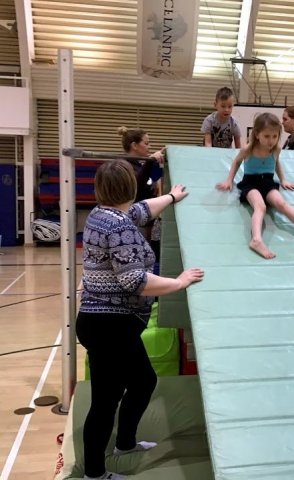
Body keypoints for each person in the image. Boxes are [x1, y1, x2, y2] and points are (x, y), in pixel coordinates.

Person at [76, 160, 204, 480]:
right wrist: (179, 282)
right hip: (109, 326)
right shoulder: (119, 227)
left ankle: (125, 443)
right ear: (130, 188)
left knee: (143, 381)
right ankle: (94, 473)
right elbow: (135, 280)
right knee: (106, 401)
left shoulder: (102, 215)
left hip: (106, 324)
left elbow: (142, 210)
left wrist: (171, 197)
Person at [216, 112, 294, 259]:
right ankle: (256, 240)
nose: (271, 141)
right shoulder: (248, 149)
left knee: (281, 203)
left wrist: (283, 180)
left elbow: (276, 163)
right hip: (250, 183)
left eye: (275, 136)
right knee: (260, 206)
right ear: (257, 134)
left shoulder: (275, 149)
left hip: (268, 183)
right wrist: (229, 180)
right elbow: (237, 162)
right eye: (267, 136)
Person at [118, 126, 164, 254]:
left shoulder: (140, 165)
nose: (149, 147)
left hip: (145, 218)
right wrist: (150, 162)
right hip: (132, 219)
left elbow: (150, 182)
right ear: (134, 145)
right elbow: (136, 186)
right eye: (146, 143)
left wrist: (157, 164)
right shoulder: (123, 165)